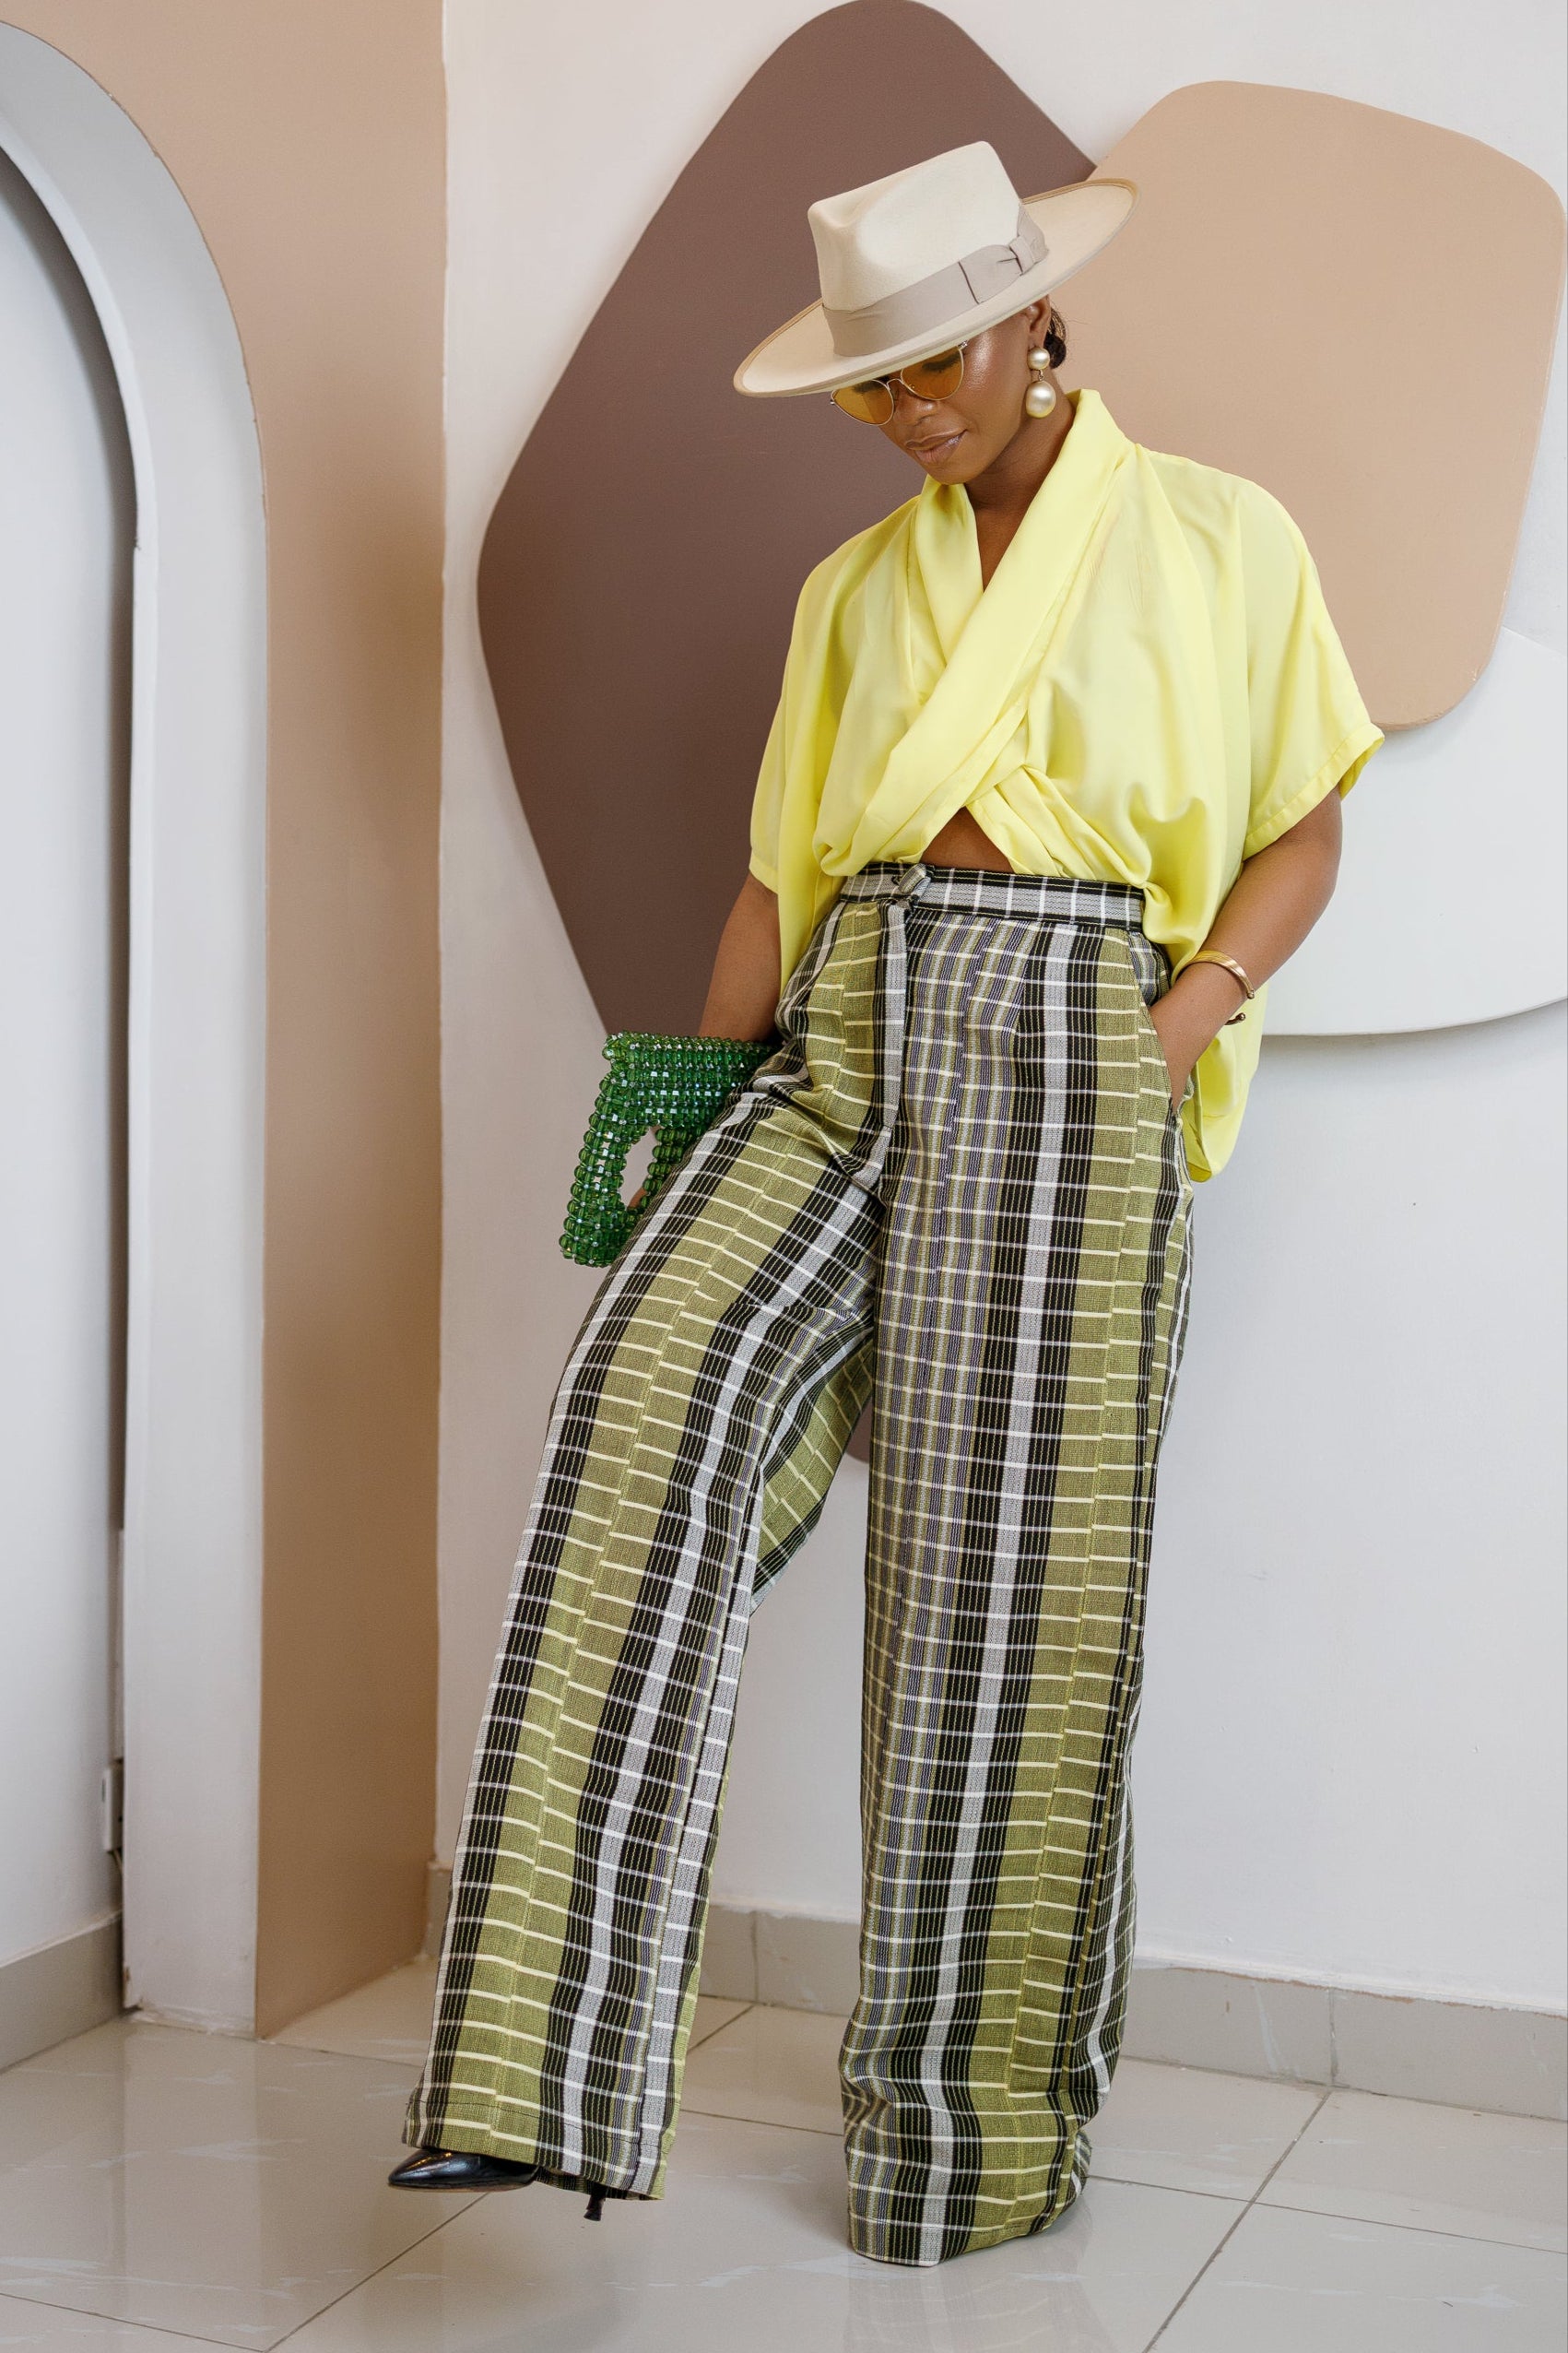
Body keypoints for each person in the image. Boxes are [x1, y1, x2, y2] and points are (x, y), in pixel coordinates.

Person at [391, 142, 1383, 2267]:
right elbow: (779, 874)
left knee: (1001, 1602)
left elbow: (1305, 825)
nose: (909, 401)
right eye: (870, 380)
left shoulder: (1216, 537)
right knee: (637, 1410)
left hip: (1075, 1038)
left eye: (936, 355)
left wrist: (1181, 1015)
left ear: (1037, 322)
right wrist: (683, 1080)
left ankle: (968, 2148)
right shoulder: (852, 591)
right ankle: (525, 2071)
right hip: (842, 1021)